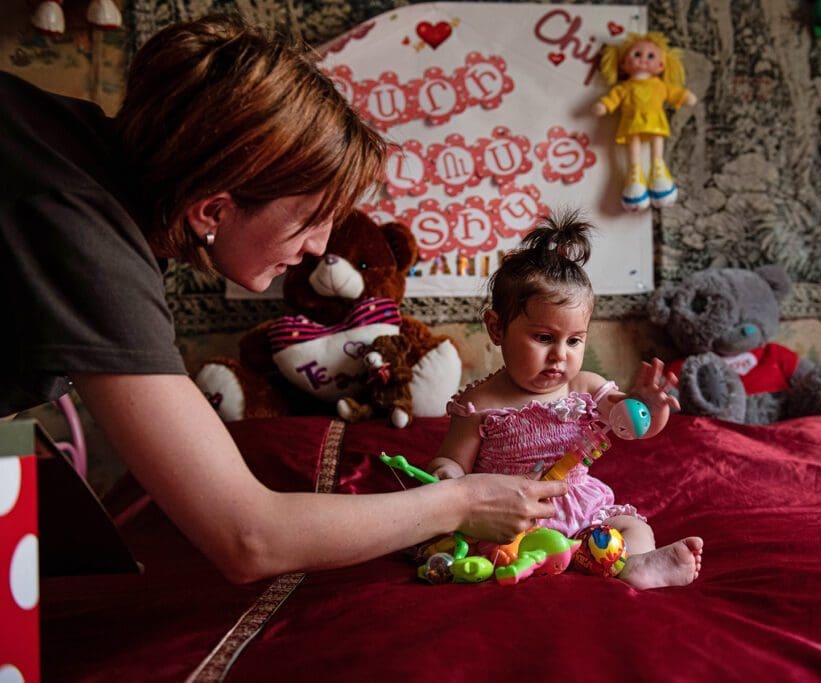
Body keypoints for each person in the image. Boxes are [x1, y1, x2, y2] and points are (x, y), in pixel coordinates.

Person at [0, 14, 566, 584]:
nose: (319, 247)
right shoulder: (81, 228)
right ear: (213, 211)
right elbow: (249, 536)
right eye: (310, 221)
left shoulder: (69, 151)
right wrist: (460, 504)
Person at [426, 212, 704, 590]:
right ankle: (559, 559)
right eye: (544, 338)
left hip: (582, 509)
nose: (561, 355)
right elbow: (452, 462)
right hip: (511, 516)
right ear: (497, 328)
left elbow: (629, 423)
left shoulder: (585, 387)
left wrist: (649, 409)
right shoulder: (480, 403)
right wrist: (445, 475)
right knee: (487, 551)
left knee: (631, 527)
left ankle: (636, 565)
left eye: (574, 340)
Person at [592, 31, 698, 212]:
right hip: (632, 123)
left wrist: (685, 96)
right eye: (637, 55)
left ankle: (659, 172)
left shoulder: (660, 85)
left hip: (655, 122)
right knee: (632, 146)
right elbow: (613, 98)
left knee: (657, 143)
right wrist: (604, 105)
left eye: (650, 56)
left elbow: (674, 93)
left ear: (661, 65)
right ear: (624, 63)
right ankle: (635, 176)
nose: (643, 60)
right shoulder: (625, 87)